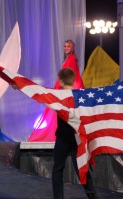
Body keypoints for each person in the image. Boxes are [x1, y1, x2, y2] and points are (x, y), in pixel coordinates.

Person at [52, 68, 98, 199]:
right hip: (77, 139)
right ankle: (93, 196)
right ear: (73, 81)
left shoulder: (56, 96)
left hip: (63, 138)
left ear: (60, 81)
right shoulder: (80, 96)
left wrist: (17, 85)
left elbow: (36, 92)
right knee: (82, 168)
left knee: (57, 169)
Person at [28, 39, 85, 142]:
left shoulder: (71, 58)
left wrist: (65, 88)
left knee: (57, 110)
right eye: (65, 46)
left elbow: (71, 76)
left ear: (72, 48)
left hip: (65, 88)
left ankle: (59, 136)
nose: (66, 48)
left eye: (68, 46)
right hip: (62, 86)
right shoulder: (69, 58)